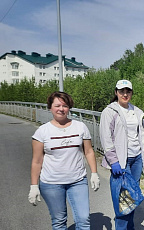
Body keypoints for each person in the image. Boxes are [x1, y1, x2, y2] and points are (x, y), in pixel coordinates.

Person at [29, 91, 100, 230]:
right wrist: (33, 186)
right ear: (50, 108)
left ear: (69, 108)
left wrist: (94, 173)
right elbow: (37, 161)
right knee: (59, 221)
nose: (61, 109)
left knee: (84, 220)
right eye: (57, 105)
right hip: (51, 183)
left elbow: (89, 151)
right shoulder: (42, 132)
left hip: (77, 180)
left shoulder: (80, 127)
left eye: (65, 105)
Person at [99, 80, 144, 230]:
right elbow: (106, 137)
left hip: (136, 158)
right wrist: (113, 161)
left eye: (128, 91)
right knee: (123, 201)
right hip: (121, 161)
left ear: (131, 93)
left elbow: (142, 135)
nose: (125, 94)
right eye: (121, 91)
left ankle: (130, 228)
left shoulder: (136, 111)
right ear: (116, 92)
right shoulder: (110, 111)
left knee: (132, 198)